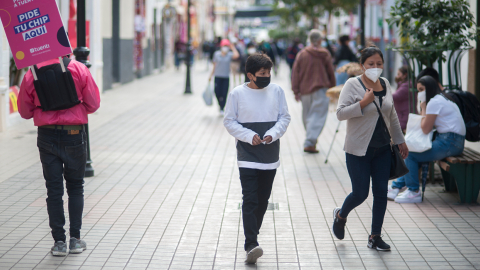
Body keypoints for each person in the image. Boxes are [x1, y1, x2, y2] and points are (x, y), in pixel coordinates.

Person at [17, 57, 101, 256]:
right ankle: (75, 240)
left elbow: (24, 111)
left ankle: (59, 242)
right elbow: (94, 103)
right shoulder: (78, 68)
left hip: (46, 135)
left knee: (53, 190)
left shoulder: (32, 73)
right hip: (74, 134)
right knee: (75, 186)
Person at [333, 46, 408, 251]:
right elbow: (340, 114)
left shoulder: (384, 83)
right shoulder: (352, 84)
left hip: (383, 149)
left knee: (381, 194)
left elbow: (391, 115)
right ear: (362, 66)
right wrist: (363, 103)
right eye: (371, 64)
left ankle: (375, 236)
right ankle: (341, 215)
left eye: (379, 64)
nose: (375, 67)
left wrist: (400, 140)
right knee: (360, 193)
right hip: (358, 149)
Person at [223, 53, 291, 264]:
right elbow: (229, 121)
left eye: (269, 72)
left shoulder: (277, 91)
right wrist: (249, 136)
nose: (267, 76)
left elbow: (285, 117)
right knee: (250, 198)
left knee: (262, 200)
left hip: (270, 154)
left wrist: (273, 133)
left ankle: (253, 237)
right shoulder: (237, 94)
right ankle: (251, 243)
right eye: (262, 73)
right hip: (247, 154)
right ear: (250, 75)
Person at [388, 75, 466, 203]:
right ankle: (397, 186)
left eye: (421, 89)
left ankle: (413, 192)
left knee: (411, 154)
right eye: (418, 90)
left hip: (449, 142)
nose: (420, 93)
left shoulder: (434, 102)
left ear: (429, 88)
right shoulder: (443, 98)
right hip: (454, 141)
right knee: (415, 154)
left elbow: (425, 128)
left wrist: (423, 106)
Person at [291, 29, 336, 153]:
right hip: (321, 89)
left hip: (304, 90)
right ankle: (310, 142)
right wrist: (332, 87)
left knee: (307, 116)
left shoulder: (302, 54)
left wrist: (295, 90)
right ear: (320, 40)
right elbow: (330, 72)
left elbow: (295, 72)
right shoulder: (325, 53)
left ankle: (311, 141)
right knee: (317, 116)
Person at [208, 39, 240, 115]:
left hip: (226, 77)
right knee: (217, 91)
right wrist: (210, 76)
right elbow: (214, 65)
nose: (225, 47)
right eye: (224, 46)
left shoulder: (229, 54)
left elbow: (237, 55)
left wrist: (232, 47)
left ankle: (222, 107)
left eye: (227, 46)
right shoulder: (216, 54)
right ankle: (219, 104)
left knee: (224, 93)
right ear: (221, 46)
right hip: (217, 76)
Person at [392, 66, 412, 132]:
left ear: (405, 75)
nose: (397, 76)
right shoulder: (403, 84)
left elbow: (395, 96)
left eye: (398, 74)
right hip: (402, 115)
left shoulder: (407, 85)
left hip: (404, 117)